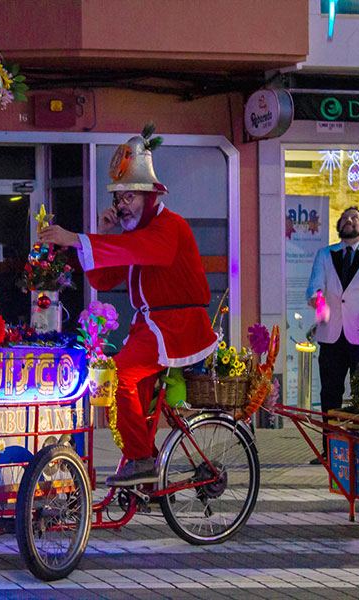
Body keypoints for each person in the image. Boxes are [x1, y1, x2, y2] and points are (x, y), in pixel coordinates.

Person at [38, 125, 217, 486]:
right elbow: (105, 280)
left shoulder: (170, 227)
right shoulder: (136, 237)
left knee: (119, 374)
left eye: (129, 197)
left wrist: (76, 239)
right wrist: (102, 236)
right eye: (118, 199)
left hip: (176, 326)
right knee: (130, 393)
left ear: (151, 196)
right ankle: (144, 473)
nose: (122, 206)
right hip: (149, 329)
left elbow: (142, 250)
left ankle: (140, 460)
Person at [305, 206, 359, 464]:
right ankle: (330, 450)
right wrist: (318, 299)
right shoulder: (325, 254)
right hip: (331, 336)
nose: (349, 221)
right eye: (345, 218)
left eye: (354, 218)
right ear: (339, 225)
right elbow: (315, 285)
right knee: (329, 395)